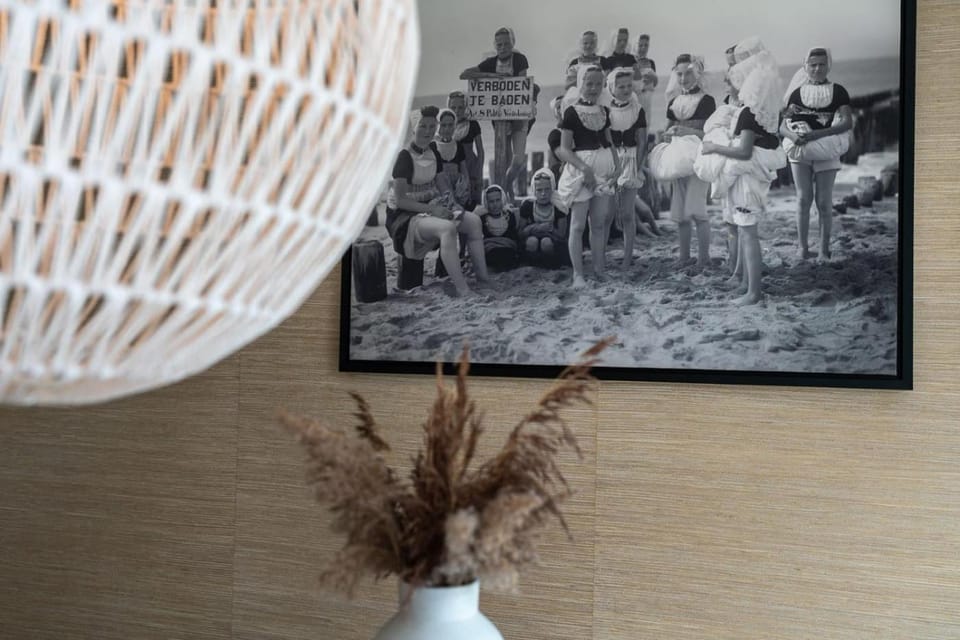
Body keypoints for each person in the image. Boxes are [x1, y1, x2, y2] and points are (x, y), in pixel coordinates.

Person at [700, 37, 787, 305]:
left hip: (747, 179)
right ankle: (747, 285)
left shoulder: (749, 113)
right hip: (752, 176)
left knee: (748, 233)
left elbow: (744, 152)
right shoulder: (762, 110)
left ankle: (754, 292)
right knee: (746, 231)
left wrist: (714, 147)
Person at [385, 106, 490, 297]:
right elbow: (400, 201)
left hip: (431, 206)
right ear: (414, 128)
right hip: (405, 216)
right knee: (447, 229)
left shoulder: (433, 150)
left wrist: (453, 204)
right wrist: (433, 210)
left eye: (432, 126)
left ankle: (483, 280)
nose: (428, 131)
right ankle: (463, 290)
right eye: (423, 126)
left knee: (474, 222)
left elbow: (442, 184)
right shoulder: (404, 157)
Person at [780, 47, 853, 261]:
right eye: (813, 65)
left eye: (822, 64)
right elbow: (782, 126)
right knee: (803, 199)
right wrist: (793, 137)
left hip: (827, 148)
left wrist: (819, 134)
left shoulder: (838, 92)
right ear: (806, 67)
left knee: (823, 201)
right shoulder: (797, 94)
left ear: (828, 66)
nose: (817, 69)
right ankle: (802, 248)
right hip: (800, 149)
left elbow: (847, 122)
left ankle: (823, 250)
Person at [556, 64, 621, 288]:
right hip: (581, 174)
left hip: (604, 174)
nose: (594, 88)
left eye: (598, 84)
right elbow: (564, 149)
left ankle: (599, 270)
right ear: (580, 84)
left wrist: (618, 167)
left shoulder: (604, 111)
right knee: (577, 226)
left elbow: (609, 142)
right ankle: (578, 275)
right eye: (589, 83)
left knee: (599, 224)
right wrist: (585, 170)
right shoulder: (571, 112)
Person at [459, 28, 531, 205]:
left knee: (518, 159)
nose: (503, 47)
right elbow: (464, 74)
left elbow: (520, 86)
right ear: (495, 46)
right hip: (498, 115)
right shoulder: (490, 62)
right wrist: (491, 75)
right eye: (499, 44)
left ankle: (507, 184)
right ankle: (505, 195)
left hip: (518, 114)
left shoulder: (520, 59)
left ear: (513, 43)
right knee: (503, 158)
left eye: (507, 43)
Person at [663, 54, 716, 271]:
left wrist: (687, 131)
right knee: (681, 212)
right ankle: (684, 256)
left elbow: (711, 134)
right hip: (678, 160)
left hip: (698, 159)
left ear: (698, 75)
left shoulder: (707, 101)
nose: (683, 79)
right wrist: (667, 137)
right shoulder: (673, 102)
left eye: (688, 74)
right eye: (680, 74)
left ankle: (704, 258)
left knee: (696, 209)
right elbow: (667, 129)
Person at [605, 67, 647, 268]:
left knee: (627, 214)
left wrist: (636, 168)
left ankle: (628, 258)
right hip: (610, 161)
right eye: (621, 86)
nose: (626, 90)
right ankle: (602, 257)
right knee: (607, 214)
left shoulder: (637, 109)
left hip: (630, 159)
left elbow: (643, 141)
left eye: (629, 86)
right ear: (611, 88)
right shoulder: (605, 110)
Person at [518, 168, 569, 266]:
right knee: (532, 242)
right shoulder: (528, 205)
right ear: (534, 190)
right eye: (539, 190)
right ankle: (533, 265)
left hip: (553, 243)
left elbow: (562, 235)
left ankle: (549, 265)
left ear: (552, 188)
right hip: (532, 241)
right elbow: (520, 234)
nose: (543, 194)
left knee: (546, 243)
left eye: (547, 189)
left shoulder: (559, 206)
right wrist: (534, 227)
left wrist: (550, 229)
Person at [448, 90, 485, 208]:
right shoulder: (446, 126)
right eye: (453, 107)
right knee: (455, 203)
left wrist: (479, 173)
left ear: (466, 107)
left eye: (460, 107)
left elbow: (480, 151)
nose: (457, 111)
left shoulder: (472, 124)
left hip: (471, 166)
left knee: (474, 202)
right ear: (448, 108)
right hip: (453, 169)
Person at [431, 108, 472, 209]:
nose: (447, 129)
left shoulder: (458, 145)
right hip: (440, 188)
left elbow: (464, 169)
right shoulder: (433, 146)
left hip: (457, 187)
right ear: (438, 126)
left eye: (450, 125)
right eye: (443, 125)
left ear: (455, 126)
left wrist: (466, 185)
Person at [475, 184, 520, 270]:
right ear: (486, 202)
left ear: (502, 200)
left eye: (498, 200)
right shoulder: (482, 217)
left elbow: (514, 238)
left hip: (508, 247)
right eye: (491, 201)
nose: (495, 204)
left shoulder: (510, 215)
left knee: (509, 254)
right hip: (491, 248)